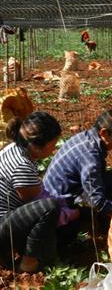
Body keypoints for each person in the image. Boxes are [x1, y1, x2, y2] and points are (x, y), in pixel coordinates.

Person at [43, 110, 112, 230]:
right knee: (107, 200)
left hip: (62, 196)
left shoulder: (87, 138)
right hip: (57, 209)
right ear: (104, 133)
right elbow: (97, 202)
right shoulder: (90, 157)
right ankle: (102, 228)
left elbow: (99, 180)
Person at [0, 112, 61, 272]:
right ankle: (28, 262)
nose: (54, 149)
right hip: (2, 223)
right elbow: (36, 202)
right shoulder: (22, 166)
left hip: (6, 217)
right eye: (53, 144)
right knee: (50, 207)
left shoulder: (15, 147)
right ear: (35, 146)